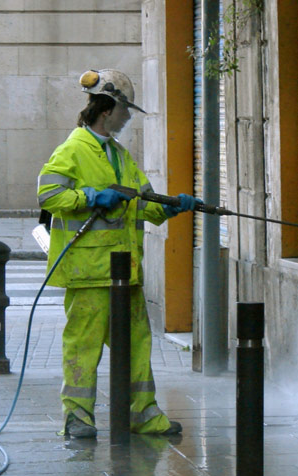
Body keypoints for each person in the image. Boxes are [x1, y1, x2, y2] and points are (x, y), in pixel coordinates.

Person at [37, 69, 198, 438]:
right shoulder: (73, 150)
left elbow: (142, 203)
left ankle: (143, 415)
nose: (127, 117)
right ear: (107, 109)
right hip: (88, 269)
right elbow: (48, 196)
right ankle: (77, 417)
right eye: (124, 110)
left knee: (137, 345)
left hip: (124, 270)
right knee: (83, 345)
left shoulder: (119, 156)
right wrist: (90, 197)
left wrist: (171, 206)